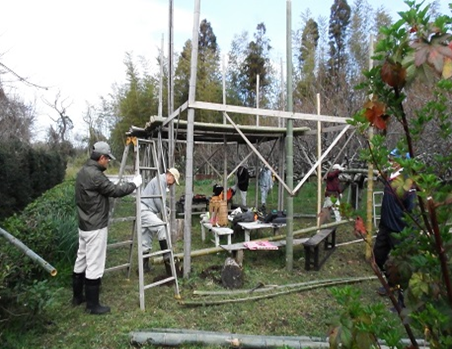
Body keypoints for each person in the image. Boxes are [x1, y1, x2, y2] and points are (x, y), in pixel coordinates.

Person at [73, 141, 142, 315]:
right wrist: (134, 184)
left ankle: (77, 297)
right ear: (101, 157)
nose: (108, 162)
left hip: (84, 224)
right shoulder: (96, 175)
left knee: (81, 260)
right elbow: (114, 190)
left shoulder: (83, 172)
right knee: (94, 264)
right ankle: (93, 305)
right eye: (107, 160)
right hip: (95, 226)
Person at [373, 149, 415, 301]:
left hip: (399, 229)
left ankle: (402, 300)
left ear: (401, 162)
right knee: (378, 255)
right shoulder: (391, 177)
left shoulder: (407, 182)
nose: (390, 162)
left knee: (401, 264)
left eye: (393, 160)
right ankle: (391, 283)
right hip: (385, 226)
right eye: (389, 159)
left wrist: (411, 231)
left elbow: (412, 208)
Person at [140, 168, 180, 276]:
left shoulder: (160, 180)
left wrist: (164, 208)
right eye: (174, 181)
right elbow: (158, 200)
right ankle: (167, 256)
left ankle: (143, 267)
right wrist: (164, 212)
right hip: (145, 209)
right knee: (162, 227)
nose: (172, 185)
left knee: (146, 239)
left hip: (146, 208)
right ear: (170, 176)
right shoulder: (161, 181)